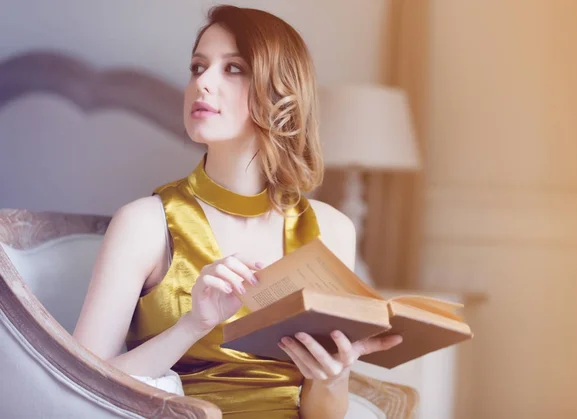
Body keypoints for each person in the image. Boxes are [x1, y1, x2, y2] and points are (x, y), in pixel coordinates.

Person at [73, 5, 402, 419]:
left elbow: (321, 413)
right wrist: (192, 325)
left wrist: (332, 377)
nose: (202, 83)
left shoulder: (332, 229)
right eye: (198, 67)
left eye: (234, 69)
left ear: (280, 91)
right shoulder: (145, 223)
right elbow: (79, 387)